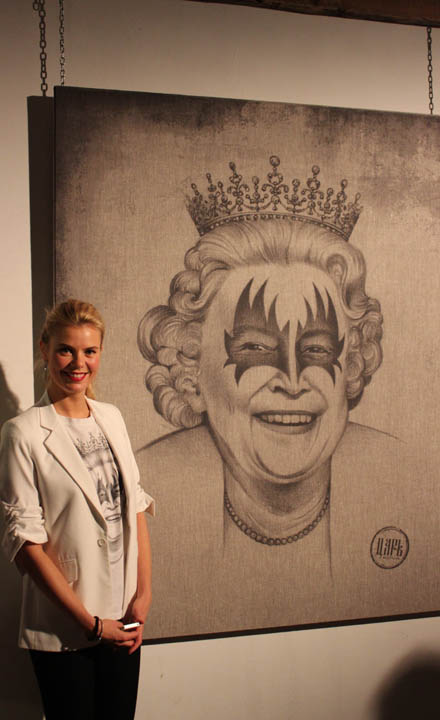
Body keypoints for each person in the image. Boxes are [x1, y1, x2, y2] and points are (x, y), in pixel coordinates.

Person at [136, 160, 439, 639]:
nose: (293, 380)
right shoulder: (145, 491)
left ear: (351, 364)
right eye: (255, 348)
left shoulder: (412, 482)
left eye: (317, 349)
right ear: (192, 368)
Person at [0, 299, 154, 720]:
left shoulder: (112, 417)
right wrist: (90, 623)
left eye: (89, 351)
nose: (78, 363)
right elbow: (26, 543)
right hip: (65, 628)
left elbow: (136, 507)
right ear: (44, 349)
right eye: (66, 350)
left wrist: (143, 595)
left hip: (124, 620)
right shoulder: (22, 433)